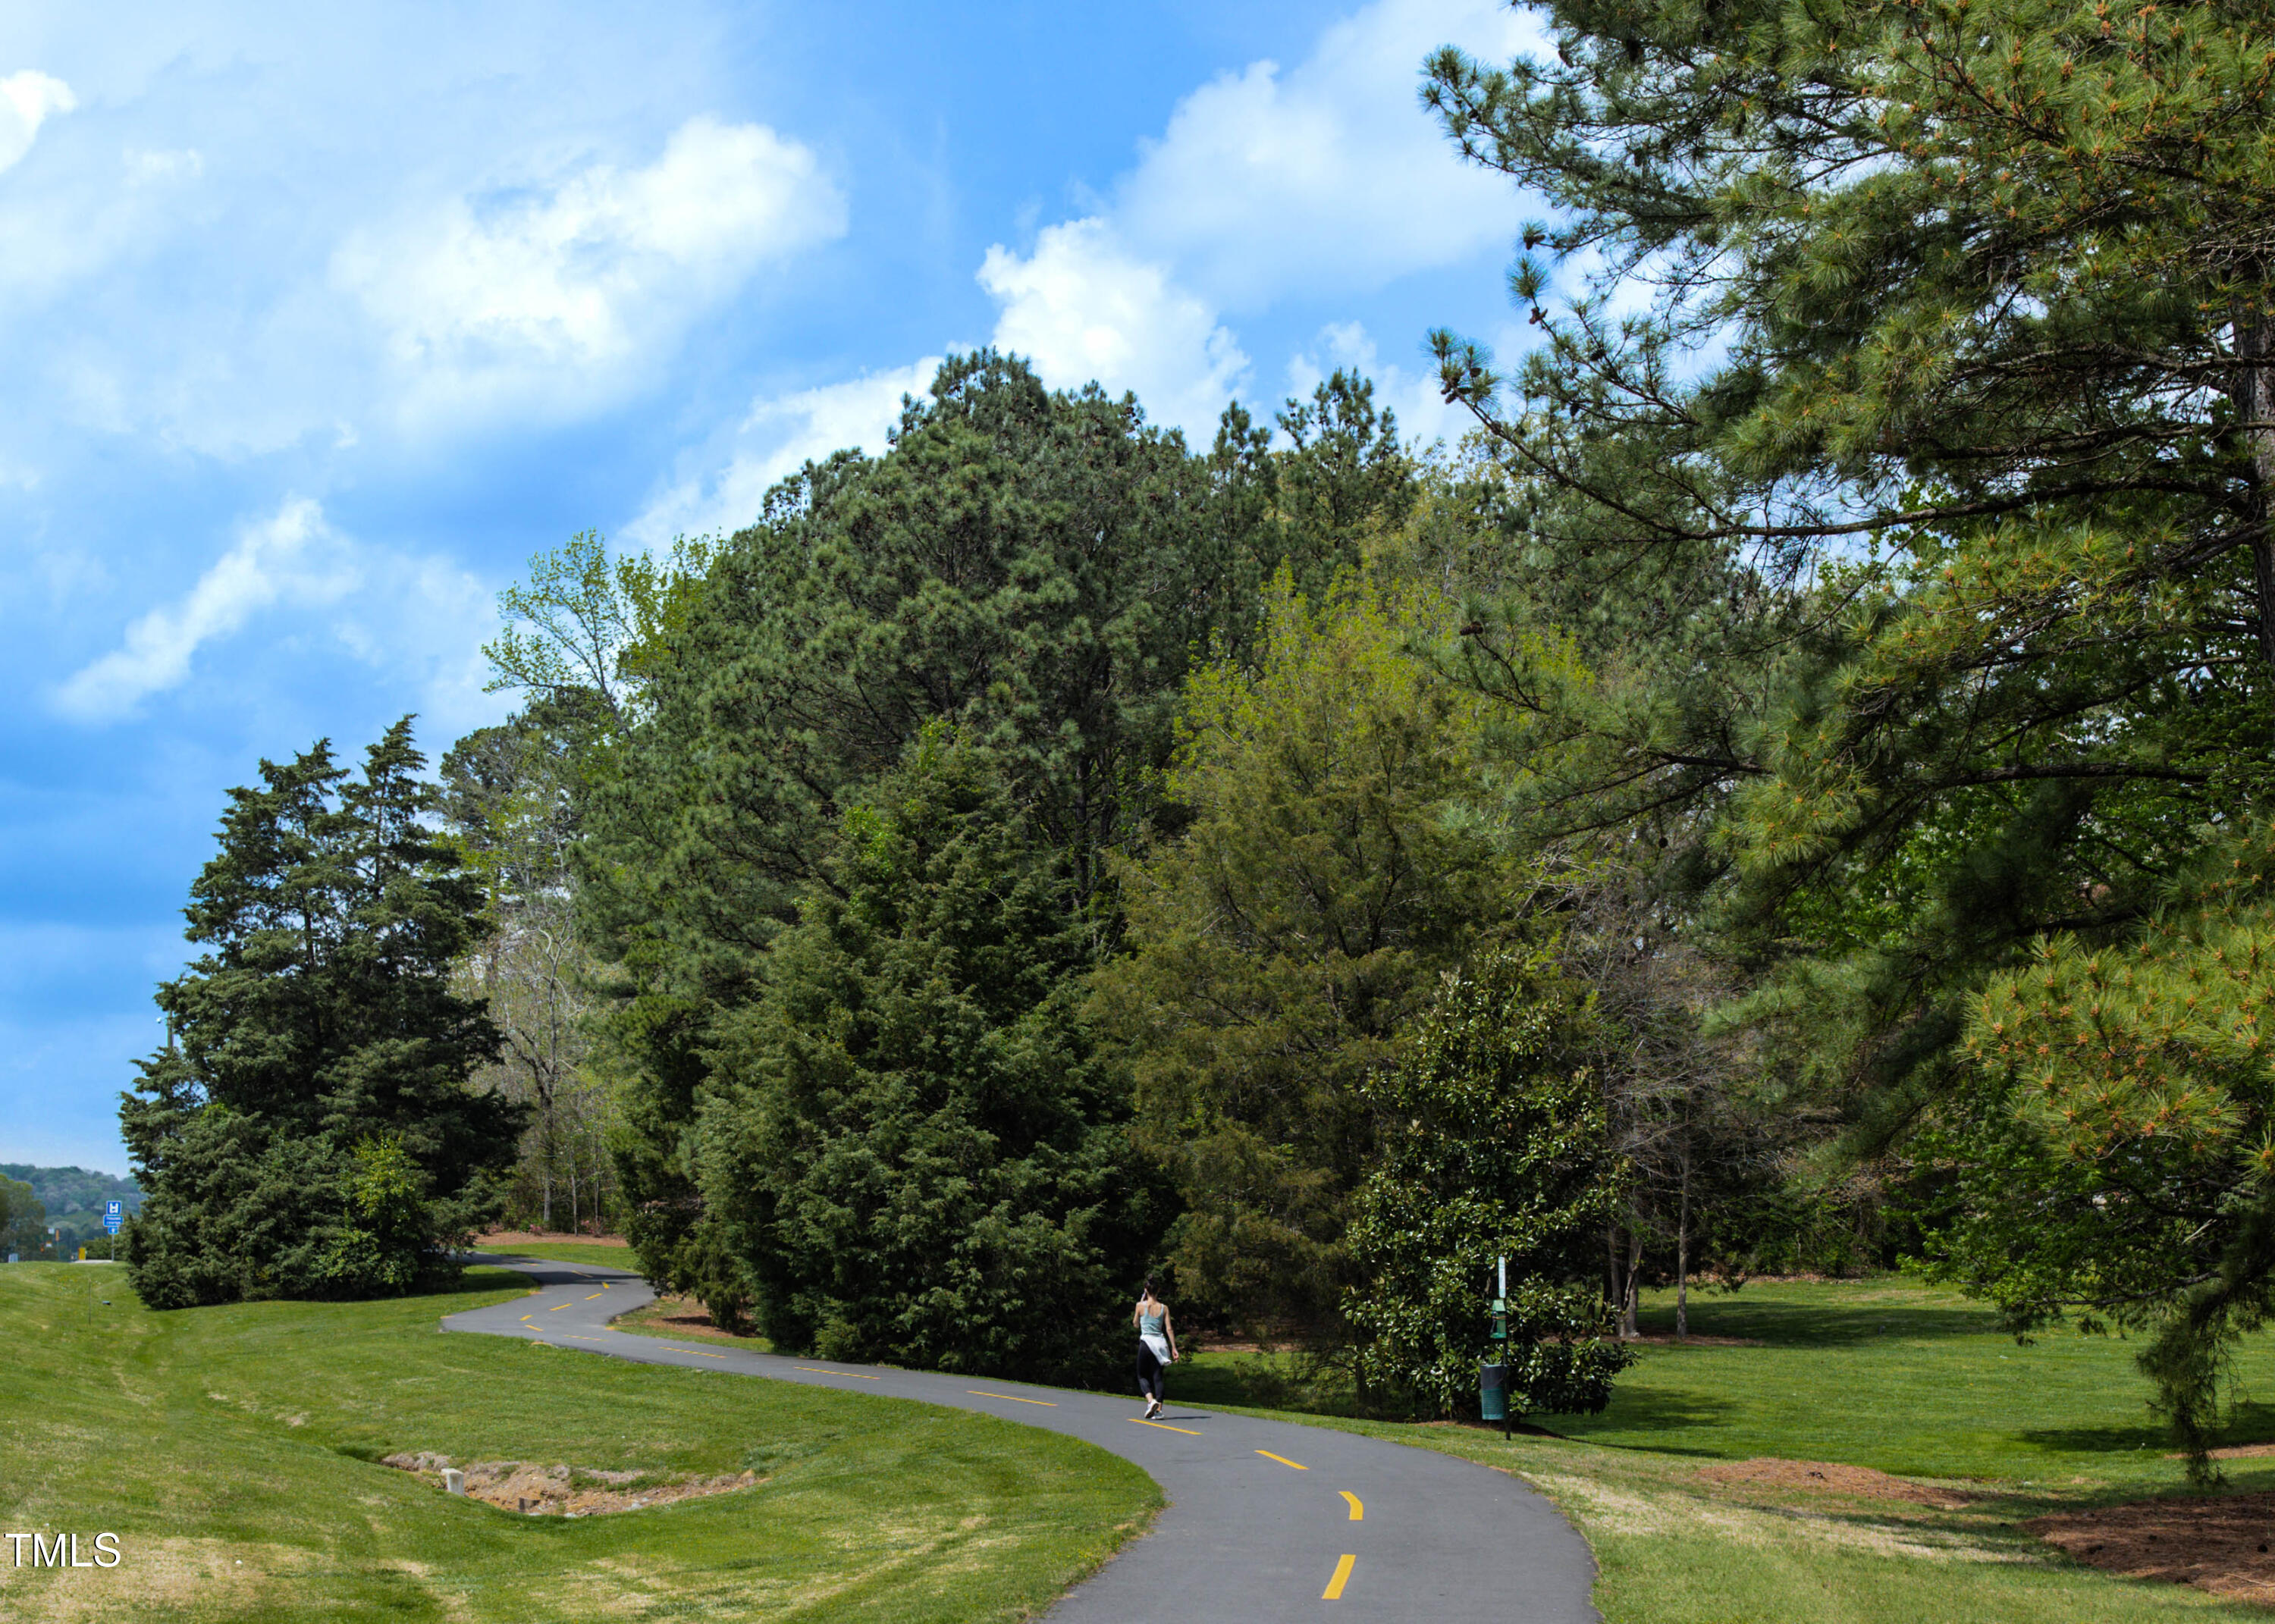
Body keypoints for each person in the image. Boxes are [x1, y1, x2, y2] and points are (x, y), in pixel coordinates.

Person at [1134, 1278, 1178, 1419]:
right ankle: (1158, 1410)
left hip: (1146, 1343)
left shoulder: (1140, 1306)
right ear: (1158, 1291)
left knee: (1141, 1375)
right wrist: (1174, 1348)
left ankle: (1150, 1400)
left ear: (1146, 1290)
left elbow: (1136, 1324)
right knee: (1157, 1377)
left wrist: (1141, 1302)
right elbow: (1169, 1329)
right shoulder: (1164, 1308)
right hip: (1160, 1344)